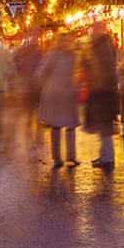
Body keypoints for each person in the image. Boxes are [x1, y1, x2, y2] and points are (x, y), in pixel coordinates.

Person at [37, 33, 80, 167]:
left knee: (71, 126)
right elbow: (41, 72)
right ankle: (57, 158)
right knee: (56, 126)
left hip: (68, 95)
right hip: (55, 95)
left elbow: (75, 72)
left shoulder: (73, 56)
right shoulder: (53, 55)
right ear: (59, 42)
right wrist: (50, 84)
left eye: (69, 41)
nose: (67, 44)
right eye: (64, 41)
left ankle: (71, 156)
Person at [83, 24, 118, 169]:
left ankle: (108, 157)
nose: (91, 33)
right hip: (103, 91)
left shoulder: (101, 47)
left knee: (104, 126)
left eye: (93, 31)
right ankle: (105, 155)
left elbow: (100, 69)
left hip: (102, 92)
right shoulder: (103, 45)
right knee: (103, 126)